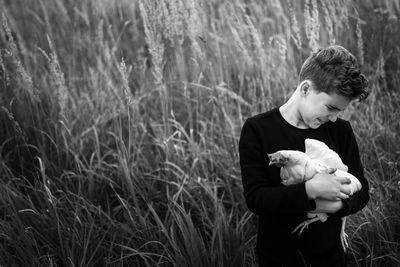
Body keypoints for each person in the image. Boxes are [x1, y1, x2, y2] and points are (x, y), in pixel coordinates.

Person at [239, 45, 370, 267]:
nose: (333, 118)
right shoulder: (258, 129)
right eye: (330, 107)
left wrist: (335, 207)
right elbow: (256, 199)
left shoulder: (340, 130)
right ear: (306, 89)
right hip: (278, 257)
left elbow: (362, 192)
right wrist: (310, 191)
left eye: (339, 111)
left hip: (331, 256)